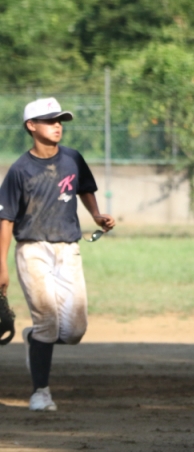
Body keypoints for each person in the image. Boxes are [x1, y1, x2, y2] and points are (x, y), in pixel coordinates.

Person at [0, 98, 115, 411]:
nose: (57, 125)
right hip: (32, 249)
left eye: (60, 120)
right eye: (49, 120)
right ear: (31, 126)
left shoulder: (72, 158)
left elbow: (84, 188)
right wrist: (2, 266)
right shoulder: (20, 170)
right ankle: (41, 393)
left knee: (75, 331)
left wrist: (96, 215)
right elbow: (6, 219)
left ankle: (35, 338)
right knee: (48, 322)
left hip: (68, 248)